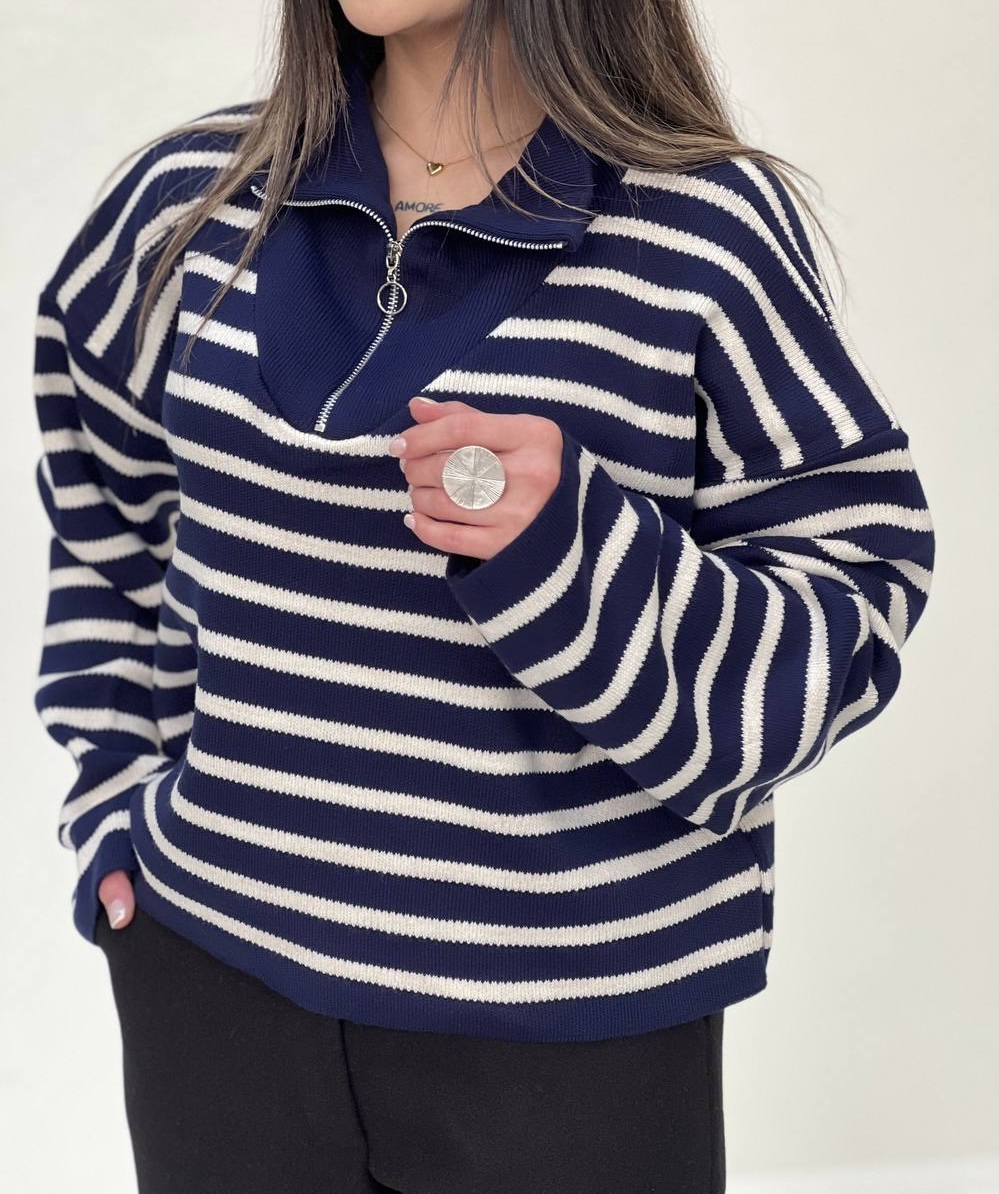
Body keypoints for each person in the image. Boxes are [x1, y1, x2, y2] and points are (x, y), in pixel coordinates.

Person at [31, 2, 936, 1191]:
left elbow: (851, 604)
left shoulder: (704, 230)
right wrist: (111, 795)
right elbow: (102, 514)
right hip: (210, 986)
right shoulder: (187, 204)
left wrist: (571, 551)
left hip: (573, 1038)